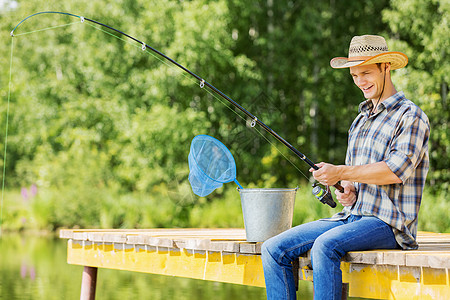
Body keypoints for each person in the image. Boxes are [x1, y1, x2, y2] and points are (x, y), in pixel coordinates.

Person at [261, 35, 430, 300]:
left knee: (325, 246)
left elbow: (395, 171)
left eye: (366, 73)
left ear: (386, 67)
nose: (360, 82)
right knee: (273, 248)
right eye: (354, 75)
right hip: (351, 216)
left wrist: (341, 172)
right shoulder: (359, 121)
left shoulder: (411, 116)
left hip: (390, 224)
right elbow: (356, 179)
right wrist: (347, 190)